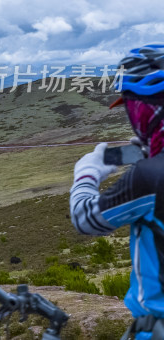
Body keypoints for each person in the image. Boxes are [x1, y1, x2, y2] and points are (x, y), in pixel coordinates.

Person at [70, 43, 164, 340]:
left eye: (132, 111)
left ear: (146, 110)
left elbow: (85, 218)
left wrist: (86, 173)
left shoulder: (149, 178)